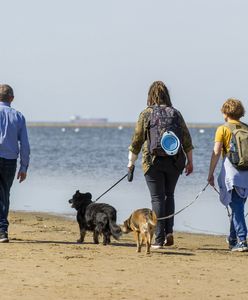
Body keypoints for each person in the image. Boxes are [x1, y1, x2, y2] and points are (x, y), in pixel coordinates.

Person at [128, 81, 194, 249]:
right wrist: (190, 161)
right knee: (169, 195)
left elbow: (137, 140)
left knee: (157, 198)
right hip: (175, 161)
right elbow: (186, 139)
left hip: (152, 162)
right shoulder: (176, 113)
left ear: (150, 95)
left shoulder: (146, 114)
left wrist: (130, 164)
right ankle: (169, 232)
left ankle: (158, 238)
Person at [208, 98, 248, 252]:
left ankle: (242, 239)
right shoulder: (246, 128)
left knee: (236, 207)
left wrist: (210, 174)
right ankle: (233, 238)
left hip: (232, 174)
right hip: (246, 174)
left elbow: (216, 152)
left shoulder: (222, 129)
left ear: (225, 113)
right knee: (237, 206)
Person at [0, 84, 30, 243]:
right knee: (4, 194)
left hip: (8, 159)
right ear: (11, 98)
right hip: (10, 161)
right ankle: (2, 230)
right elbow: (24, 144)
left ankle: (2, 230)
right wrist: (24, 167)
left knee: (2, 195)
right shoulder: (18, 116)